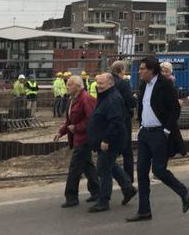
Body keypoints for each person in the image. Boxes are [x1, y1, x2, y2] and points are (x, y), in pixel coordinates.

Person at [127, 58, 189, 222]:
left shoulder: (165, 85)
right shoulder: (143, 85)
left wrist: (166, 131)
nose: (139, 72)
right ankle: (144, 211)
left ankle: (183, 191)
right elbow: (143, 107)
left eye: (142, 69)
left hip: (159, 134)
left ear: (151, 70)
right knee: (141, 172)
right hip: (145, 134)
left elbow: (175, 109)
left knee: (159, 171)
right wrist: (141, 126)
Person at [86, 73, 136, 213]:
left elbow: (115, 122)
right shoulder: (105, 96)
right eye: (97, 83)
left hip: (111, 141)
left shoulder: (113, 99)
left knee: (103, 168)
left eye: (101, 83)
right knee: (111, 165)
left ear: (110, 83)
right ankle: (128, 189)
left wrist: (106, 140)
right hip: (106, 140)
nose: (98, 86)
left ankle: (104, 200)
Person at [54, 75, 99, 207]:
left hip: (84, 139)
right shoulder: (72, 100)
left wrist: (77, 128)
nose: (67, 87)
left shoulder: (86, 99)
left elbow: (91, 120)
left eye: (70, 85)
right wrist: (61, 132)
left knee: (74, 169)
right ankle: (97, 191)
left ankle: (71, 197)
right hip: (77, 138)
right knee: (88, 166)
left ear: (78, 87)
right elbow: (69, 121)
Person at [109, 60, 137, 178]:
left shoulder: (108, 81)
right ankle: (128, 178)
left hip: (110, 118)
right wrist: (134, 98)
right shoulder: (123, 83)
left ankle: (108, 174)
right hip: (123, 119)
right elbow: (130, 102)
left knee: (112, 150)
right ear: (121, 70)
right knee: (127, 151)